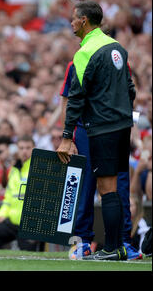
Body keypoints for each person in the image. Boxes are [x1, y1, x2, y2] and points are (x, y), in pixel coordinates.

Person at [57, 0, 136, 261]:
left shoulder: (85, 52)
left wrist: (67, 136)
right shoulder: (119, 49)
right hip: (123, 127)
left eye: (74, 18)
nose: (71, 22)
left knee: (106, 190)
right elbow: (131, 90)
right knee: (115, 188)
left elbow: (76, 98)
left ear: (84, 21)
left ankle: (112, 249)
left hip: (100, 128)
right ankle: (121, 246)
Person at [60, 60, 142, 260]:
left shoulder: (120, 60)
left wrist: (131, 126)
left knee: (119, 186)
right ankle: (81, 242)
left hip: (115, 130)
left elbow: (130, 95)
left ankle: (123, 242)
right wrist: (68, 137)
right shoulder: (76, 62)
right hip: (84, 131)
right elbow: (67, 101)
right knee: (83, 188)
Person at [0, 136, 43, 251]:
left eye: (28, 148)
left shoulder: (39, 169)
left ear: (34, 149)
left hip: (29, 224)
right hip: (11, 221)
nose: (24, 151)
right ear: (17, 150)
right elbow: (8, 197)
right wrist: (1, 214)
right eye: (21, 148)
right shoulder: (14, 170)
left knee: (30, 255)